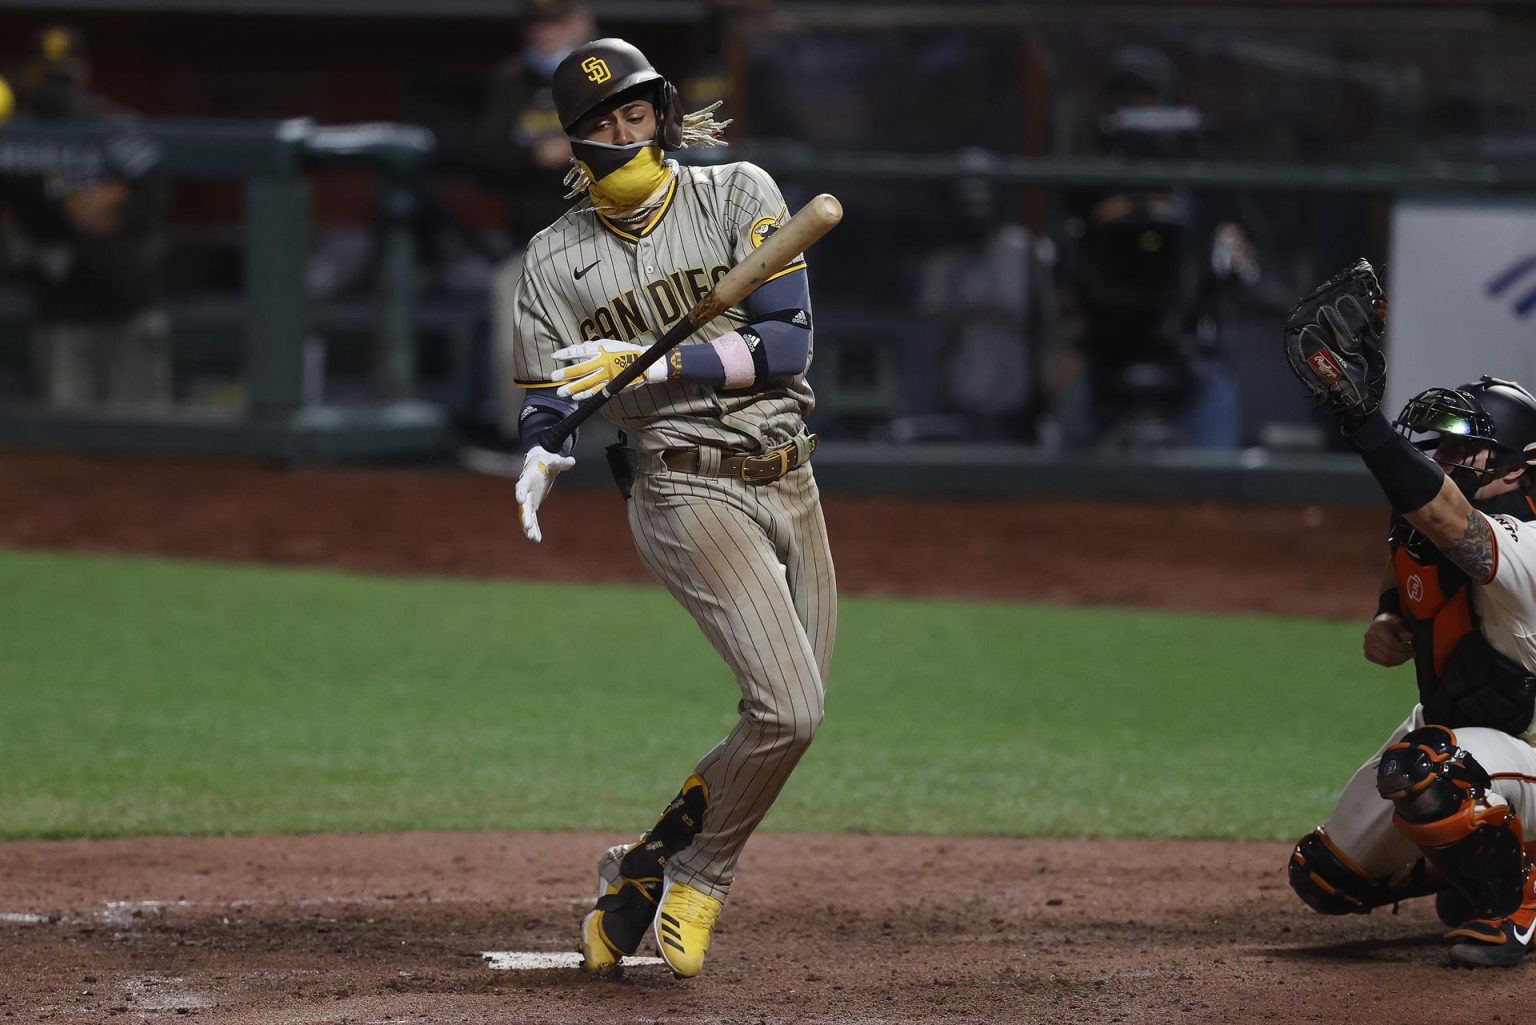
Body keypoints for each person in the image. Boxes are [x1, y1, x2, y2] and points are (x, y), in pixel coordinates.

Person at [508, 39, 836, 979]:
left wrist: (655, 357)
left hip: (793, 479)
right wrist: (543, 447)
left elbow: (782, 349)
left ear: (662, 111)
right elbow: (547, 392)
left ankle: (647, 862)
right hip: (682, 481)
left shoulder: (740, 193)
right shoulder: (555, 259)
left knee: (783, 720)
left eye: (639, 114)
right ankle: (705, 876)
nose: (627, 134)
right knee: (792, 708)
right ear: (575, 143)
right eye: (605, 125)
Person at [1284, 260, 1536, 968]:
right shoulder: (1440, 521)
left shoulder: (1528, 539)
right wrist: (1389, 611)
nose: (1449, 460)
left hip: (1530, 754)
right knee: (1325, 877)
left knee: (1428, 768)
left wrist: (1363, 424)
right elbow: (1417, 531)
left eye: (1468, 449)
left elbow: (1451, 525)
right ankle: (1472, 861)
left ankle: (1514, 899)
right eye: (1446, 447)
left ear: (1517, 467)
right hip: (1485, 746)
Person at [0, 25, 169, 409]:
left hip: (130, 304)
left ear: (84, 72)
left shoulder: (115, 125)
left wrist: (107, 205)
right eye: (49, 73)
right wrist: (69, 206)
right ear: (32, 74)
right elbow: (23, 212)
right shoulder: (20, 137)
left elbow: (154, 201)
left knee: (143, 439)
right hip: (61, 312)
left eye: (65, 73)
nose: (59, 84)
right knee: (67, 446)